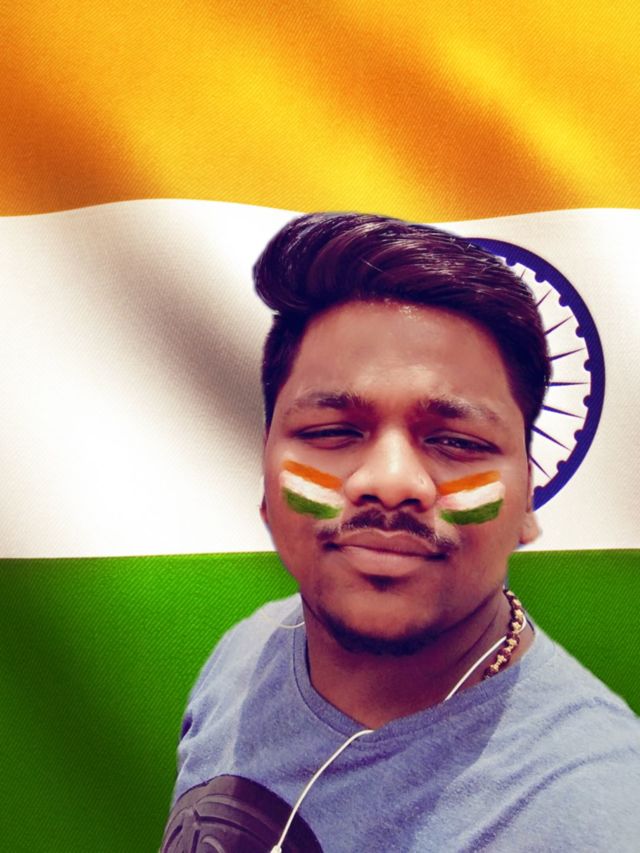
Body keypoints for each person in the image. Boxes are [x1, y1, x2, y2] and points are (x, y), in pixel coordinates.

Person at [162, 213, 640, 852]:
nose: (390, 482)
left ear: (527, 499)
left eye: (457, 441)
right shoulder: (245, 653)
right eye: (331, 432)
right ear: (266, 478)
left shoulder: (595, 816)